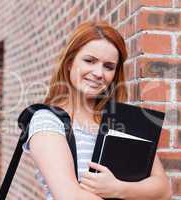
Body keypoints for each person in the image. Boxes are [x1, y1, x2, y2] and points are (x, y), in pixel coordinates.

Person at [22, 21, 172, 200]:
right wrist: (136, 191)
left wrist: (118, 188)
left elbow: (163, 190)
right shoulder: (47, 120)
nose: (99, 73)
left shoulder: (122, 119)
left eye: (108, 66)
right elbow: (70, 196)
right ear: (69, 63)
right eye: (89, 61)